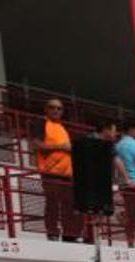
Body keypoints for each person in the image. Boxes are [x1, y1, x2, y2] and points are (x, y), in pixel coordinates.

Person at [32, 97, 78, 242]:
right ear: (46, 109)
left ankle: (69, 234)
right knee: (52, 203)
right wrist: (62, 147)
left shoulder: (62, 128)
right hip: (50, 172)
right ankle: (52, 232)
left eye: (59, 108)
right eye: (52, 107)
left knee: (69, 205)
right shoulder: (41, 123)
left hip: (67, 174)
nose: (56, 110)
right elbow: (38, 145)